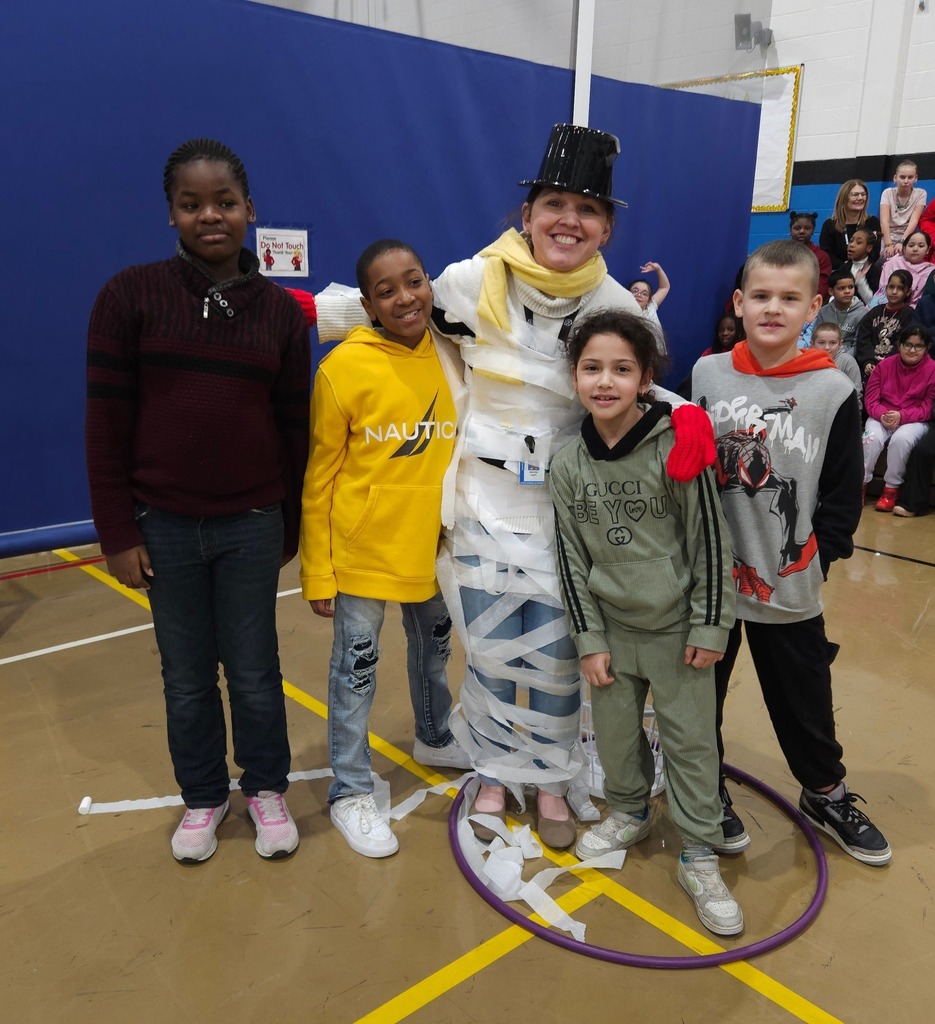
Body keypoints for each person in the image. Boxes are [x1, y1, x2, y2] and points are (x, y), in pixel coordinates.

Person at [312, 124, 710, 851]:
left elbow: (639, 387)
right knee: (491, 651)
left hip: (565, 514)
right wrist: (287, 311)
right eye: (554, 203)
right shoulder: (468, 284)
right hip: (479, 503)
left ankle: (553, 779)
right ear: (525, 215)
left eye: (587, 210)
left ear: (606, 227)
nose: (568, 220)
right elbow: (386, 310)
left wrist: (687, 418)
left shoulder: (620, 307)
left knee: (560, 654)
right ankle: (494, 773)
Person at [85, 138, 310, 863]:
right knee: (184, 676)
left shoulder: (278, 314)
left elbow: (291, 426)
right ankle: (204, 796)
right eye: (192, 204)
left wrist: (289, 525)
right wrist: (118, 530)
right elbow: (105, 423)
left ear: (250, 210)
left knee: (253, 668)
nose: (209, 215)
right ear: (171, 215)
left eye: (224, 202)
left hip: (251, 522)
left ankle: (267, 786)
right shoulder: (128, 295)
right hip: (165, 525)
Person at [692, 238, 892, 866]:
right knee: (699, 695)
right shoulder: (707, 374)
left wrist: (820, 556)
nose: (772, 308)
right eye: (760, 296)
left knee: (803, 697)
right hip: (712, 584)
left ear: (812, 309)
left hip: (788, 582)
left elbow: (841, 493)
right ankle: (702, 790)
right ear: (739, 303)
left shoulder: (832, 390)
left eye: (788, 298)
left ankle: (825, 792)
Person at [550, 309, 742, 937]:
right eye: (591, 368)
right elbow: (569, 558)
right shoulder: (567, 462)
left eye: (621, 369)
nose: (605, 382)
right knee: (614, 736)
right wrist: (589, 640)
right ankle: (629, 810)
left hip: (679, 631)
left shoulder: (677, 445)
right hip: (610, 632)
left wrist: (710, 626)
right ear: (574, 375)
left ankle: (697, 851)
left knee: (691, 744)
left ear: (646, 378)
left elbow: (710, 542)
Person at [299, 239, 468, 858]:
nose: (405, 297)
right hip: (365, 553)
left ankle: (434, 734)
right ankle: (348, 788)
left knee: (433, 655)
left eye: (414, 281)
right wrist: (318, 572)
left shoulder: (453, 355)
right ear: (367, 303)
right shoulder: (342, 367)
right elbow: (319, 479)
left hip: (435, 550)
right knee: (356, 673)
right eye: (387, 289)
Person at [861, 324, 935, 512]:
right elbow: (870, 399)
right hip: (882, 415)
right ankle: (859, 484)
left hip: (914, 419)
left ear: (927, 348)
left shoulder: (933, 370)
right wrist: (882, 414)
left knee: (901, 440)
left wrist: (902, 416)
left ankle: (891, 489)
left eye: (918, 346)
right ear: (899, 345)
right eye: (907, 345)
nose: (912, 350)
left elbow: (928, 408)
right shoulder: (884, 365)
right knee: (871, 438)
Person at [855, 269, 915, 381]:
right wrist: (868, 361)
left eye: (900, 288)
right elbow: (864, 340)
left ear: (908, 292)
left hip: (893, 367)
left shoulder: (909, 314)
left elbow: (903, 343)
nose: (894, 291)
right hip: (870, 364)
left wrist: (884, 364)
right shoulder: (874, 312)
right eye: (891, 287)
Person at [819, 180, 882, 270]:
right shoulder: (829, 225)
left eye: (863, 194)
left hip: (865, 272)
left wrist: (859, 269)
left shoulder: (872, 222)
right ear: (844, 198)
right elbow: (826, 254)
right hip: (838, 272)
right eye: (855, 195)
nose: (860, 198)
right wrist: (847, 268)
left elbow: (875, 252)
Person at [871, 229, 935, 307]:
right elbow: (882, 290)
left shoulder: (930, 270)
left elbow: (923, 300)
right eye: (911, 245)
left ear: (928, 250)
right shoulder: (892, 262)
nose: (915, 249)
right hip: (883, 304)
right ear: (904, 248)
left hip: (911, 311)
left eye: (921, 246)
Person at [879, 160, 927, 259]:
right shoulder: (887, 193)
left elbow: (914, 221)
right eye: (902, 177)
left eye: (910, 177)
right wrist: (888, 245)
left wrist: (902, 241)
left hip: (908, 236)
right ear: (895, 178)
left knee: (901, 259)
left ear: (916, 178)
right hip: (888, 235)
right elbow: (884, 221)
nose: (906, 181)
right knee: (885, 258)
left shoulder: (921, 194)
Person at [812, 268, 866, 357]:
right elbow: (816, 338)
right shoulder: (823, 311)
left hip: (847, 358)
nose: (847, 291)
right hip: (824, 354)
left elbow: (857, 345)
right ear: (831, 291)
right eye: (841, 288)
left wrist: (841, 359)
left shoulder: (862, 313)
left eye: (851, 287)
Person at [811, 322, 862, 405]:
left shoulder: (847, 362)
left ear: (840, 344)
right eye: (821, 343)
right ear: (812, 344)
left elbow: (856, 394)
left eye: (833, 343)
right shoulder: (807, 362)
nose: (827, 347)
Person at [628, 260, 670, 353]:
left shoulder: (651, 307)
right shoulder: (623, 313)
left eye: (644, 293)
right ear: (627, 294)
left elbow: (664, 287)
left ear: (648, 300)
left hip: (656, 356)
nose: (639, 294)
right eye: (635, 291)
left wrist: (658, 269)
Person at [789, 210, 831, 297]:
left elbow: (822, 285)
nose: (802, 231)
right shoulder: (781, 253)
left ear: (813, 230)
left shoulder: (821, 256)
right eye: (797, 228)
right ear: (790, 230)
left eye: (807, 228)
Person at [840, 226, 881, 304]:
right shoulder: (844, 268)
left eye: (858, 242)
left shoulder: (874, 270)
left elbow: (873, 303)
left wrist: (861, 282)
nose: (851, 245)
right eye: (851, 241)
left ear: (868, 248)